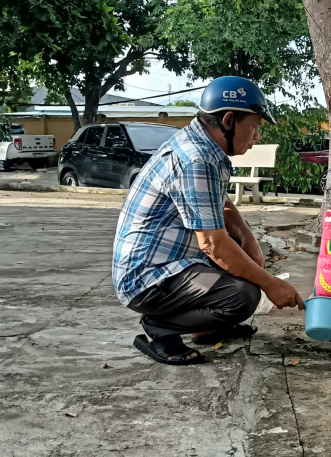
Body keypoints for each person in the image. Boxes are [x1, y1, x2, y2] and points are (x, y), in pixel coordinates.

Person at [113, 76, 304, 366]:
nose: (257, 137)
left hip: (171, 262)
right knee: (243, 295)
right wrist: (271, 284)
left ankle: (206, 327)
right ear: (228, 120)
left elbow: (221, 204)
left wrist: (247, 237)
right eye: (254, 127)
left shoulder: (205, 149)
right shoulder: (196, 160)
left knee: (242, 259)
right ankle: (159, 329)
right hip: (147, 277)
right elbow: (213, 245)